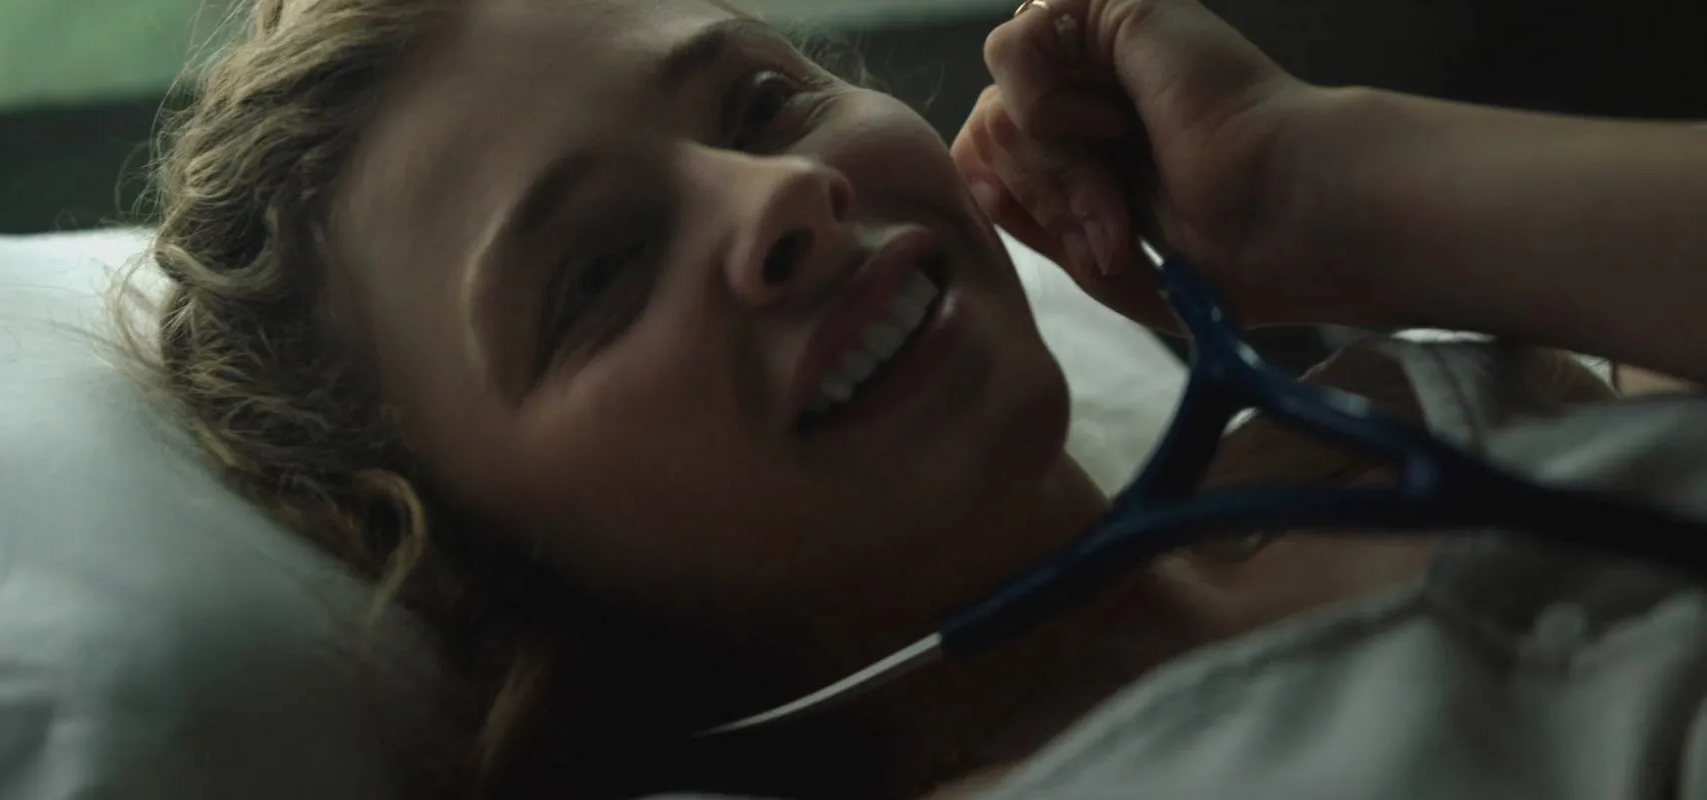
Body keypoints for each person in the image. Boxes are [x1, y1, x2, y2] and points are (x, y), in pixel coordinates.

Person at [122, 0, 1707, 796]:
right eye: (596, 275)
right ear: (486, 560)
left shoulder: (1441, 394)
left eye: (761, 102)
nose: (778, 196)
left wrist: (1325, 191)